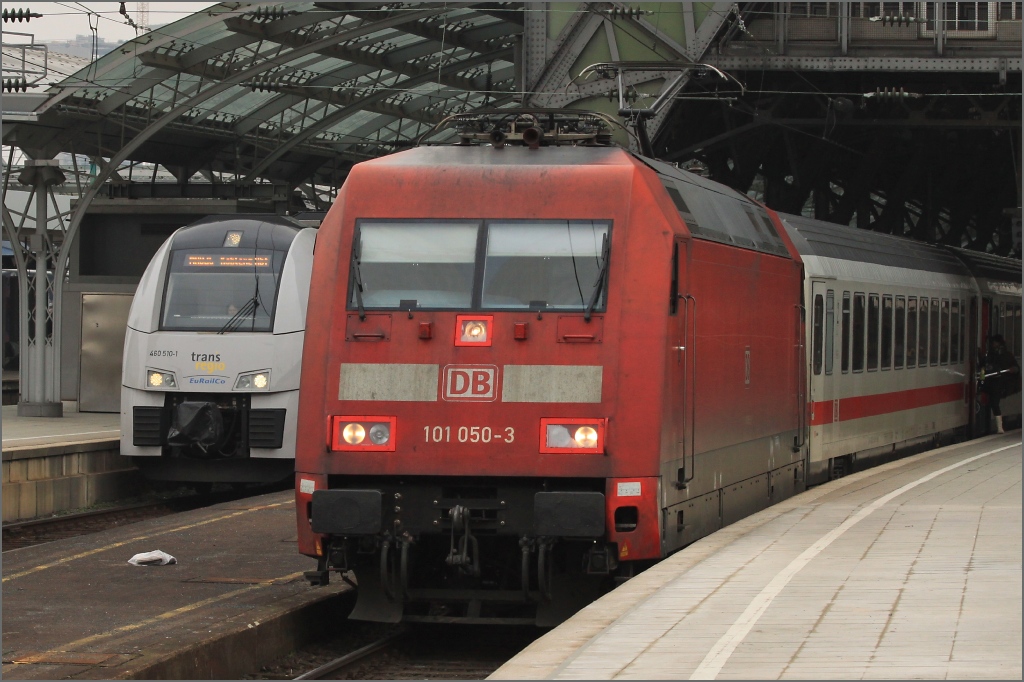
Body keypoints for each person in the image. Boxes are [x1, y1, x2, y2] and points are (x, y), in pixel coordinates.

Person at [980, 334, 1020, 434]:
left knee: (994, 402)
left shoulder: (1007, 355)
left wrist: (1013, 370)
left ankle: (999, 427)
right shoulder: (990, 356)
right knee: (992, 402)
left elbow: (1016, 367)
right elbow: (984, 366)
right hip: (991, 381)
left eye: (995, 343)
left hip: (1000, 382)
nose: (994, 345)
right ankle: (996, 426)